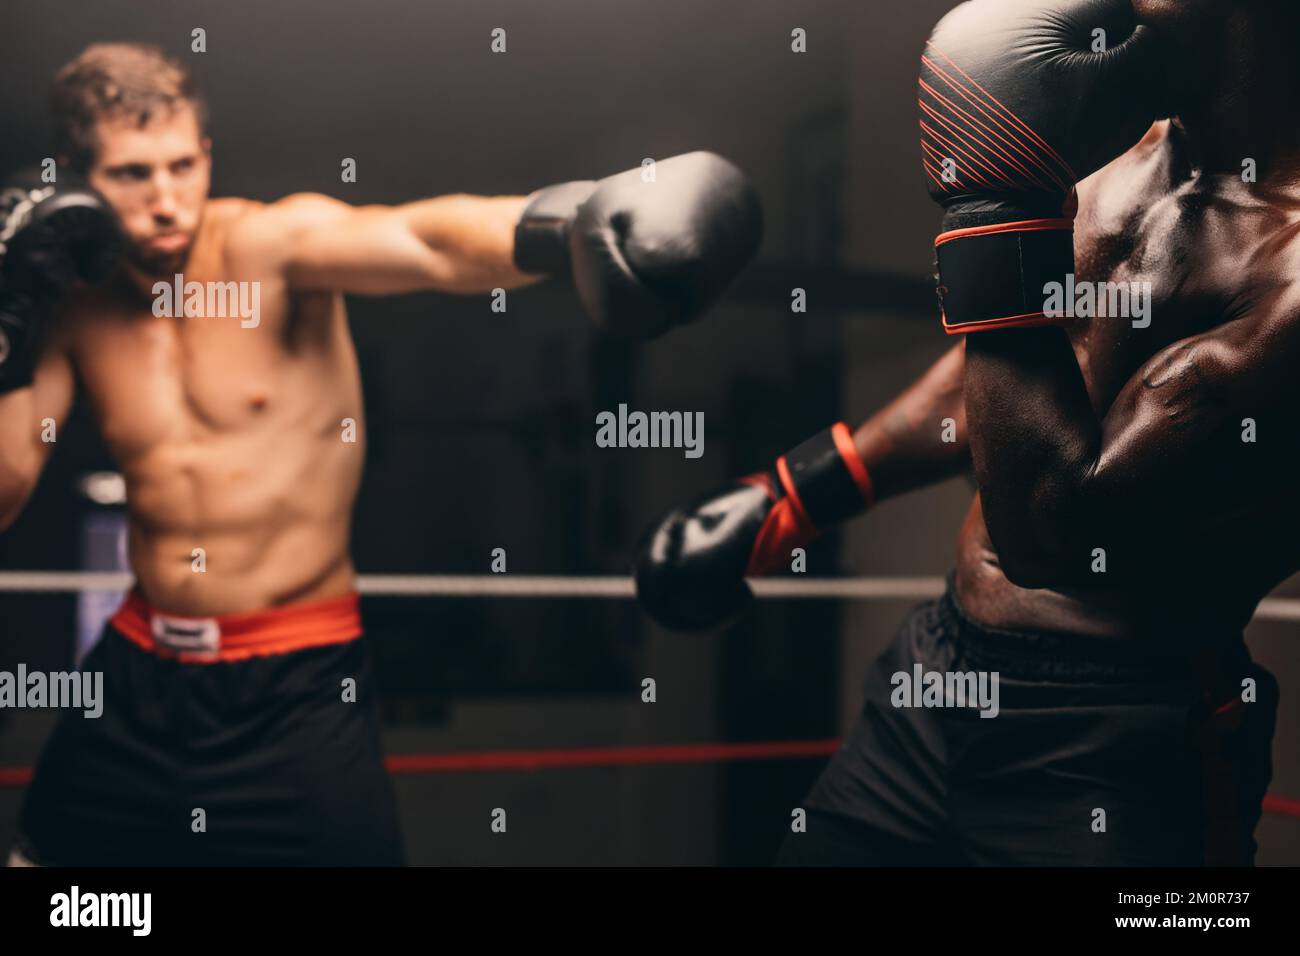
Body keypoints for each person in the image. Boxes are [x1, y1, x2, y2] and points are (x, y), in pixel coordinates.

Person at [0, 42, 762, 865]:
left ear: (208, 155)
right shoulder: (70, 307)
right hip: (141, 668)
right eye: (131, 174)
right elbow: (9, 491)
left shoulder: (270, 247)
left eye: (183, 165)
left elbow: (424, 241)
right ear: (79, 179)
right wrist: (9, 321)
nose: (166, 200)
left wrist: (569, 222)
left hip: (295, 682)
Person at [636, 0, 1290, 865]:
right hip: (939, 676)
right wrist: (795, 495)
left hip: (1121, 748)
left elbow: (1053, 526)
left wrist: (990, 209)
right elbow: (1028, 361)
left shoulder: (1287, 277)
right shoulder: (1125, 152)